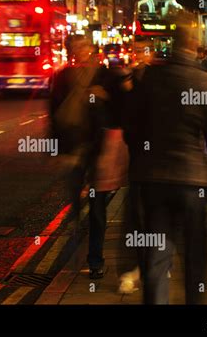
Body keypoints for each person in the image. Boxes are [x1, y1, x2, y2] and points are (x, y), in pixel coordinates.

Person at [122, 11, 207, 304]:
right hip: (193, 180)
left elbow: (131, 126)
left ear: (172, 41)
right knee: (195, 257)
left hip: (153, 179)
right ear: (196, 42)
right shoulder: (205, 81)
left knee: (157, 257)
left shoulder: (151, 78)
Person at [50, 35, 129, 279]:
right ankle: (74, 254)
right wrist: (57, 150)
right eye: (75, 48)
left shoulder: (105, 75)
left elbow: (123, 109)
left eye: (84, 46)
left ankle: (95, 261)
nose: (80, 51)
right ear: (70, 51)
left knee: (97, 209)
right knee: (73, 209)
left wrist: (106, 96)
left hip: (99, 149)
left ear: (91, 49)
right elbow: (53, 113)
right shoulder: (62, 77)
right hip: (73, 150)